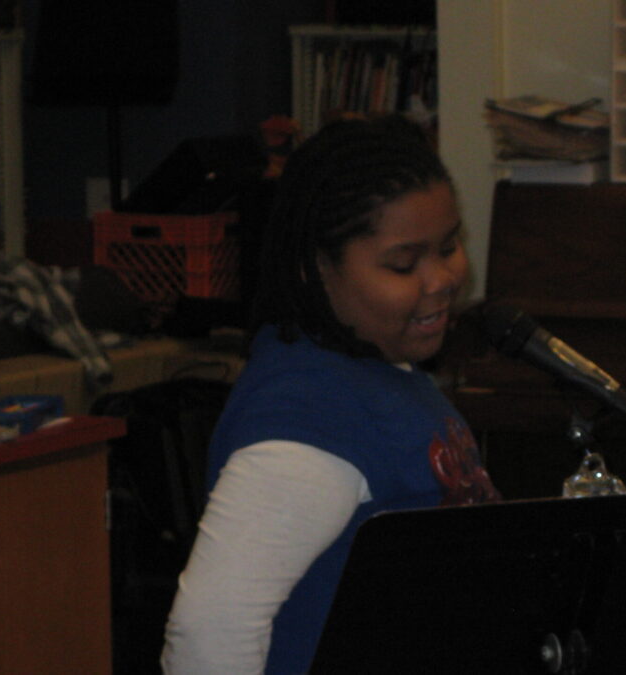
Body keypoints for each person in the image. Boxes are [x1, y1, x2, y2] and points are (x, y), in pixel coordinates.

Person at [161, 115, 501, 674]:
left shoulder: (377, 364)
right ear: (315, 269)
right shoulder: (306, 422)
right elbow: (207, 634)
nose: (442, 278)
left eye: (449, 246)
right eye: (403, 264)